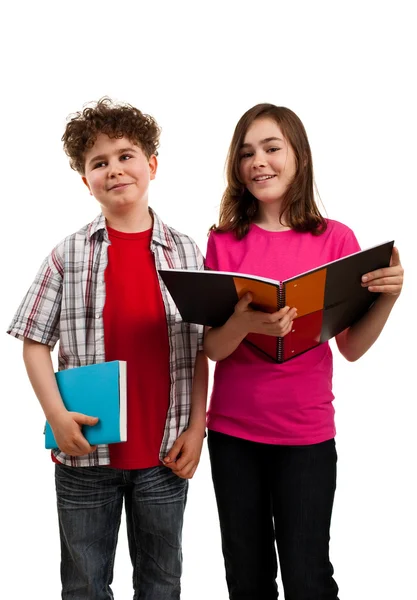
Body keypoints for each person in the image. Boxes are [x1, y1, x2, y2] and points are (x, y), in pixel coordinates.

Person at [7, 97, 208, 600]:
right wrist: (56, 416)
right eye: (99, 163)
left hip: (165, 455)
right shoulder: (68, 254)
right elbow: (33, 340)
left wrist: (197, 427)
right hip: (84, 458)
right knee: (83, 585)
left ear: (152, 165)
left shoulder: (185, 252)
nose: (114, 169)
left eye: (125, 155)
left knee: (162, 582)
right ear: (85, 180)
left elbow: (202, 347)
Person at [203, 103, 403, 600]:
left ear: (299, 156)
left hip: (306, 437)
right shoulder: (222, 242)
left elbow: (352, 348)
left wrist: (389, 298)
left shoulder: (337, 240)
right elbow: (212, 348)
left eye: (272, 148)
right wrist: (245, 322)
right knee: (246, 578)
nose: (259, 162)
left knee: (308, 574)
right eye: (247, 153)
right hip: (232, 436)